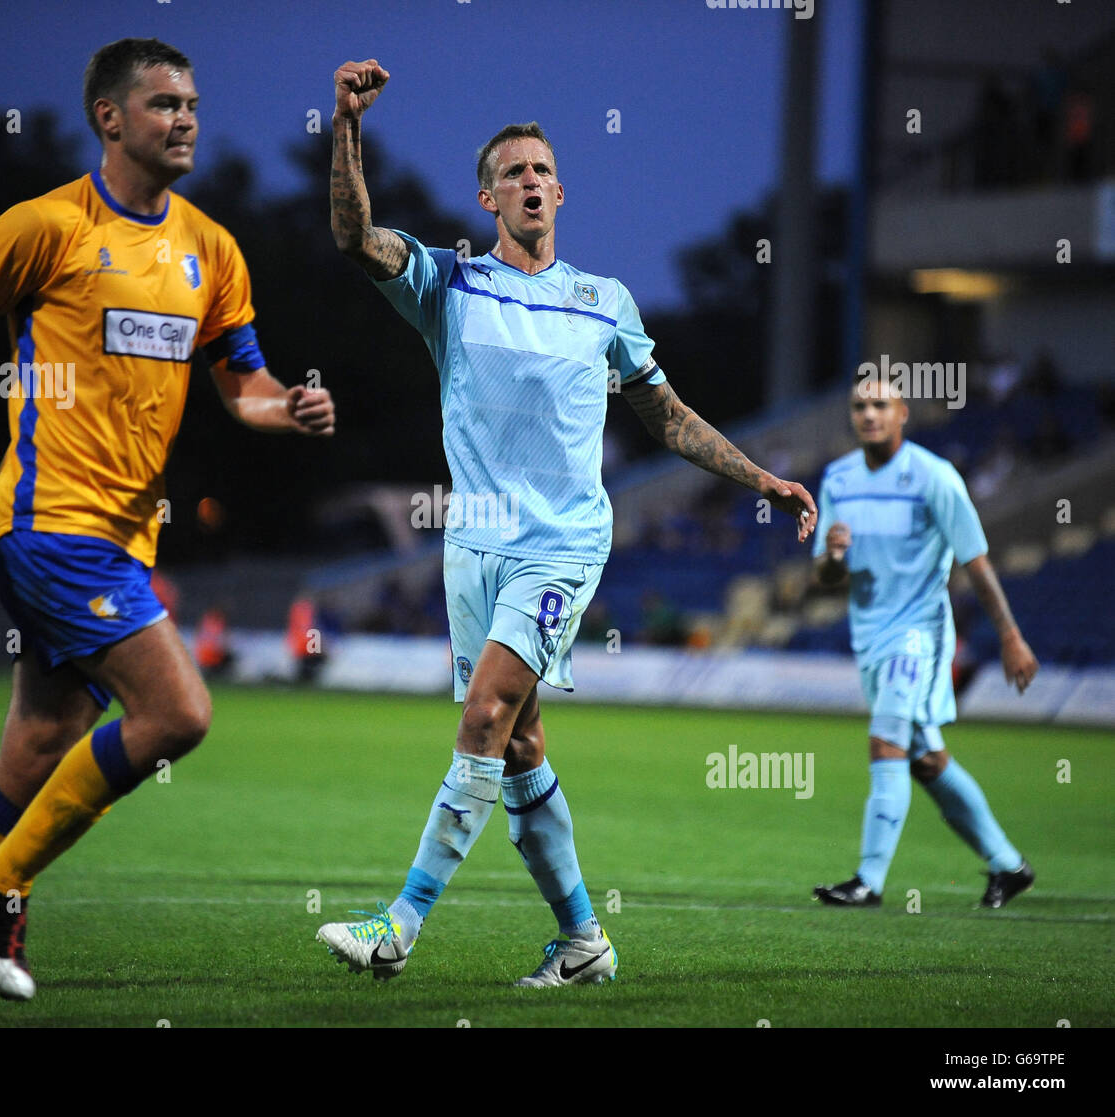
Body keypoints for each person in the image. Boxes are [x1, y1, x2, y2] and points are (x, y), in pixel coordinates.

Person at [0, 37, 335, 1028]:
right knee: (178, 713)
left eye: (193, 103)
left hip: (123, 543)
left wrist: (286, 406)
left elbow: (240, 386)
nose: (186, 119)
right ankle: (2, 883)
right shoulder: (49, 226)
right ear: (109, 119)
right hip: (46, 522)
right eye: (162, 103)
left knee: (36, 747)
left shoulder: (213, 249)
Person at [317, 59, 817, 986]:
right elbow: (354, 238)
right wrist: (347, 128)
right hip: (472, 551)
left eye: (544, 169)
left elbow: (664, 416)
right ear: (487, 197)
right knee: (521, 749)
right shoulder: (448, 286)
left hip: (561, 546)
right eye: (514, 172)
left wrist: (760, 475)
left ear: (562, 190)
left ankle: (400, 922)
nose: (532, 181)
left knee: (484, 715)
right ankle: (585, 939)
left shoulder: (605, 303)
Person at [812, 377, 1038, 910]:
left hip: (919, 634)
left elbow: (975, 561)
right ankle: (1009, 865)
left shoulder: (934, 477)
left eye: (880, 405)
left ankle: (867, 880)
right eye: (860, 406)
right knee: (926, 759)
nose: (869, 415)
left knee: (886, 740)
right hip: (869, 633)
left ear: (902, 413)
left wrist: (1009, 634)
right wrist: (832, 558)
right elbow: (823, 576)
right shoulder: (838, 479)